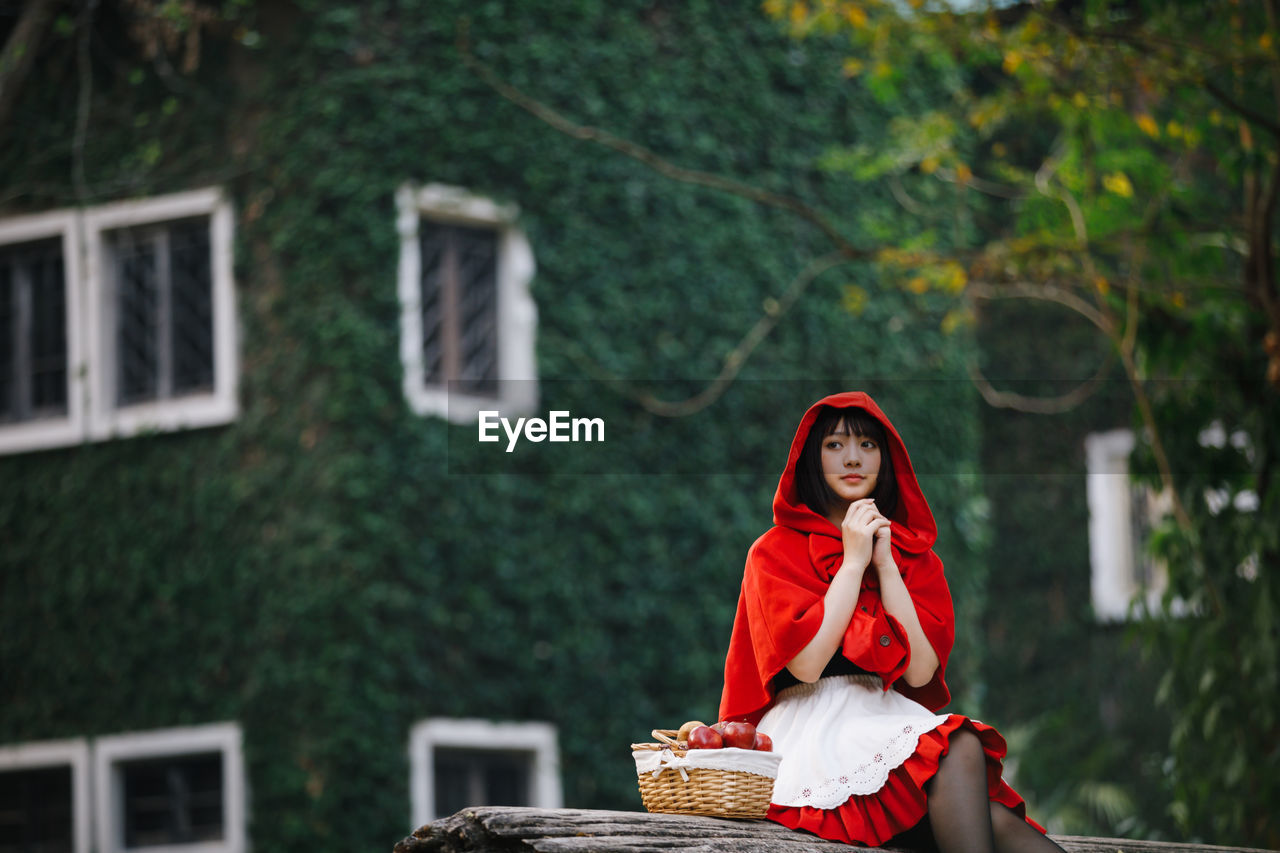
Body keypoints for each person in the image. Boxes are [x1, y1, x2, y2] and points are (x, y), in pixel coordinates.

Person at [719, 391, 1064, 852]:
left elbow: (920, 672)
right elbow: (806, 664)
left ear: (887, 458)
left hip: (881, 718)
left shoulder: (913, 560)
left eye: (868, 445)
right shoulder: (774, 551)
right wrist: (852, 560)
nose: (853, 459)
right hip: (812, 729)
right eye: (835, 446)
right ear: (810, 459)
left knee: (991, 814)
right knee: (962, 753)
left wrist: (883, 563)